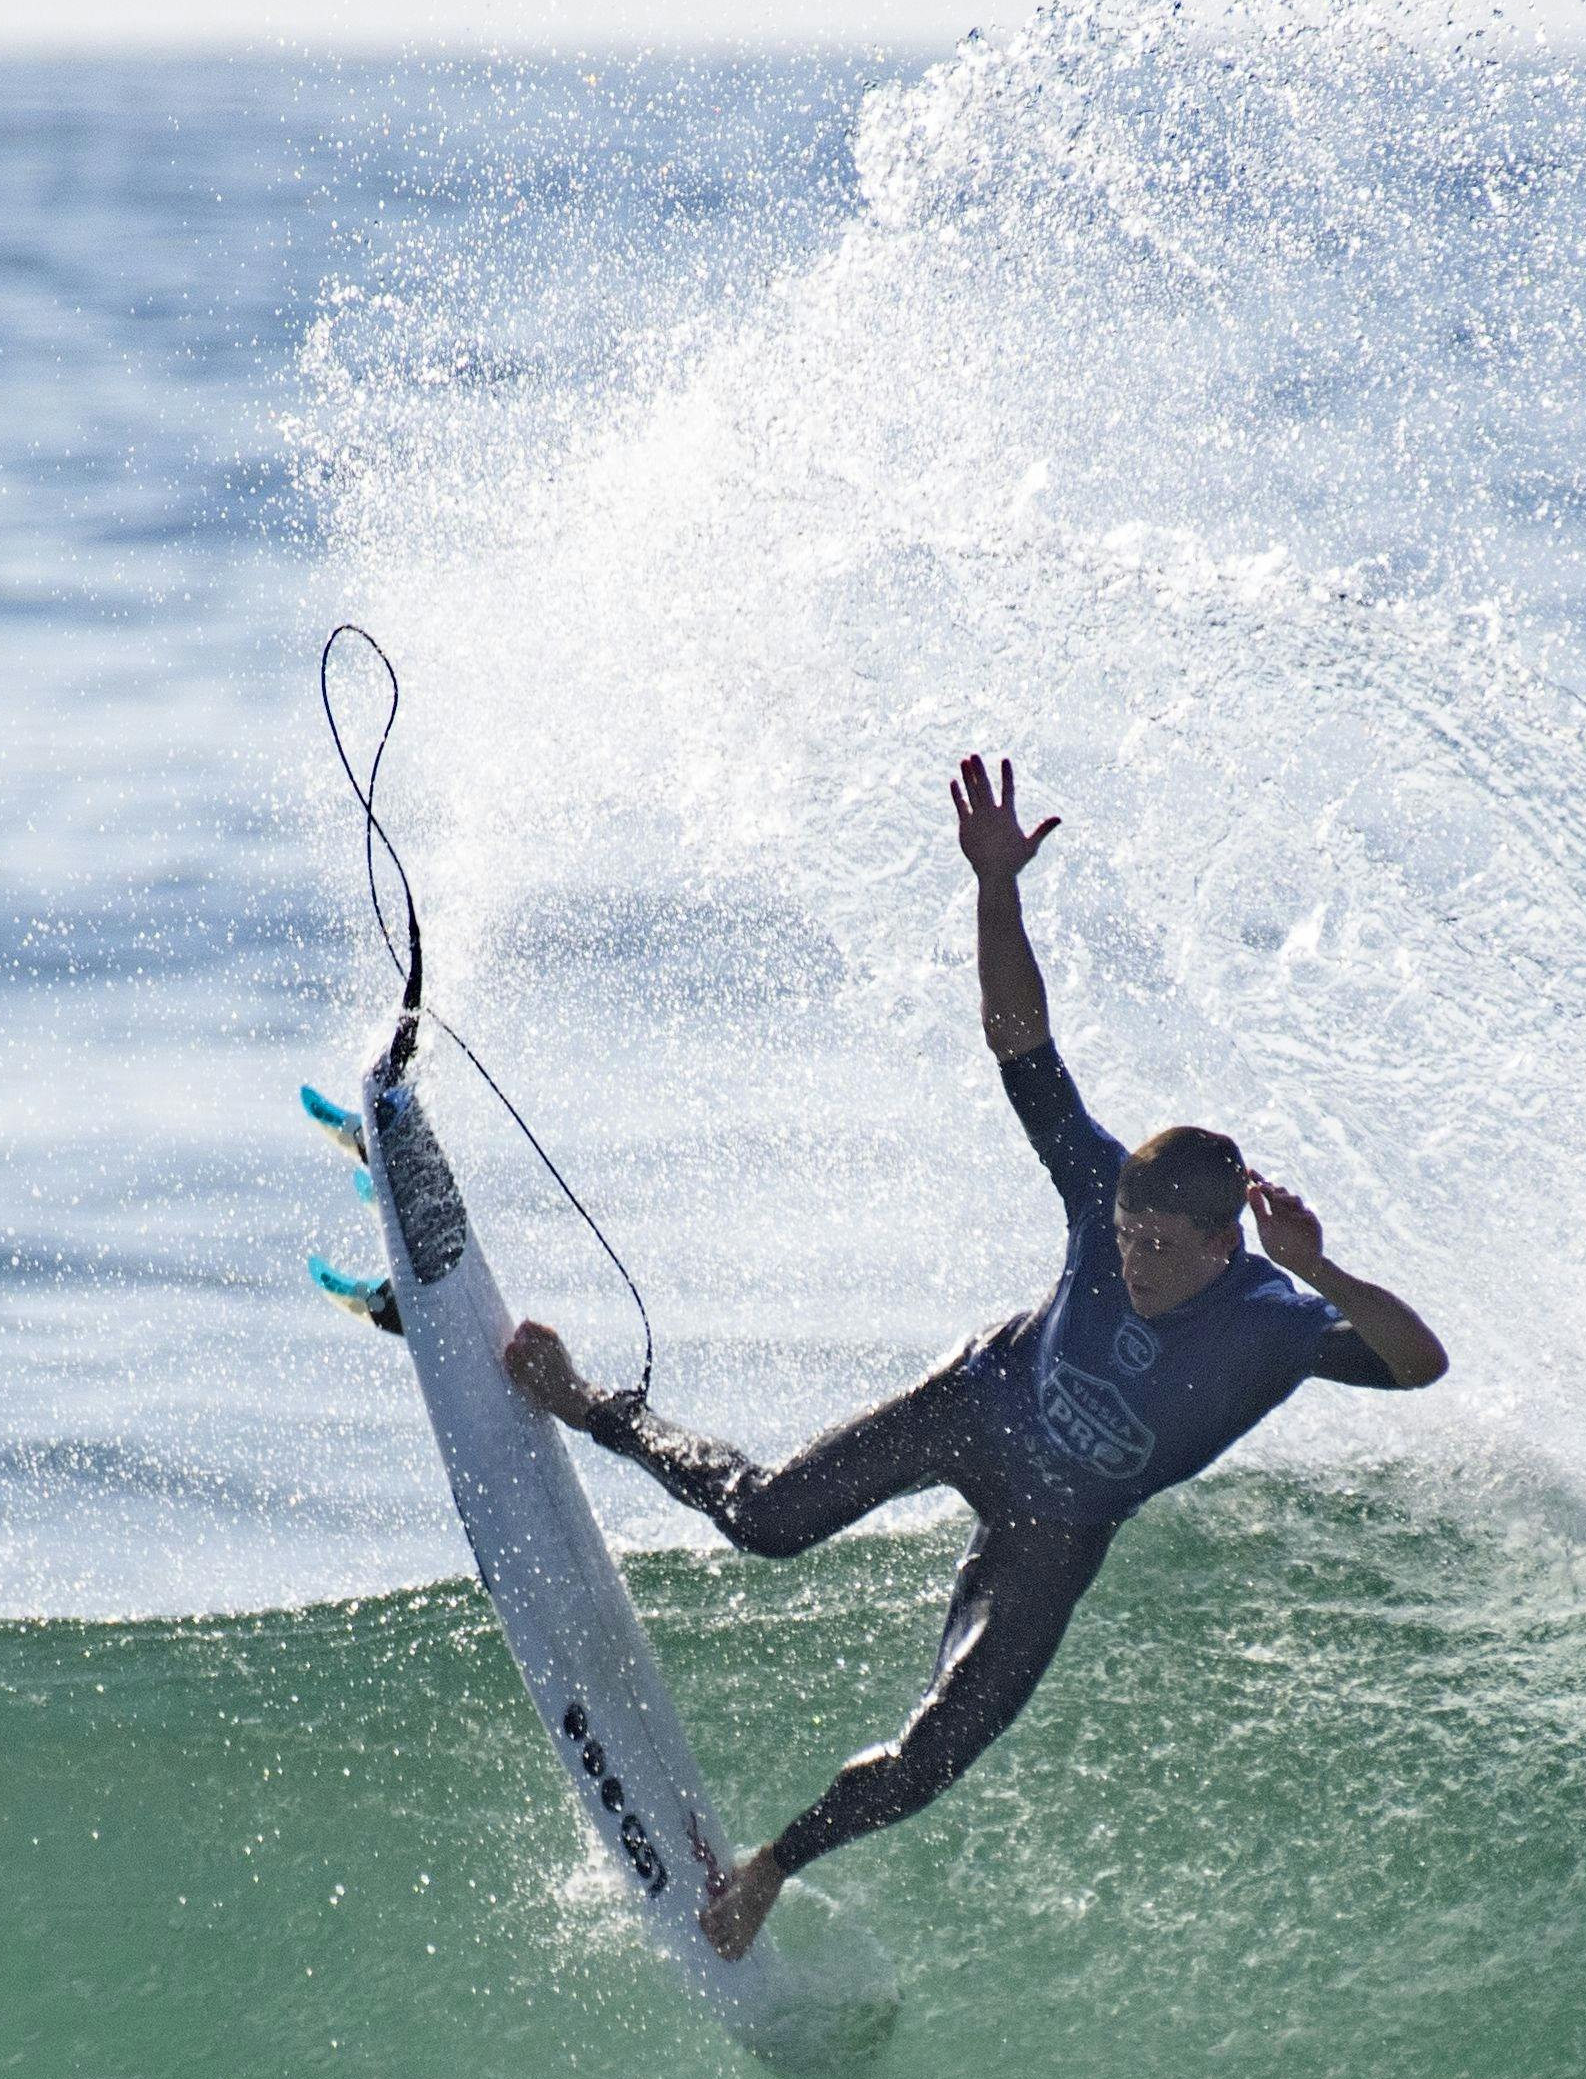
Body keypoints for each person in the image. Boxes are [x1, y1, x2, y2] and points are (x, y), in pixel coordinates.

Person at [504, 753, 1449, 1956]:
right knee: (767, 1519)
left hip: (1062, 1528)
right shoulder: (1104, 1197)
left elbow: (1419, 1364)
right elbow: (1021, 1049)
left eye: (1163, 1245)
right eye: (1125, 1235)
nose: (1137, 1258)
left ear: (1225, 1244)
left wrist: (1318, 1268)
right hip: (979, 1404)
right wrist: (995, 883)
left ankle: (770, 1867)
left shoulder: (1278, 1321)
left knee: (935, 1753)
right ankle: (588, 1401)